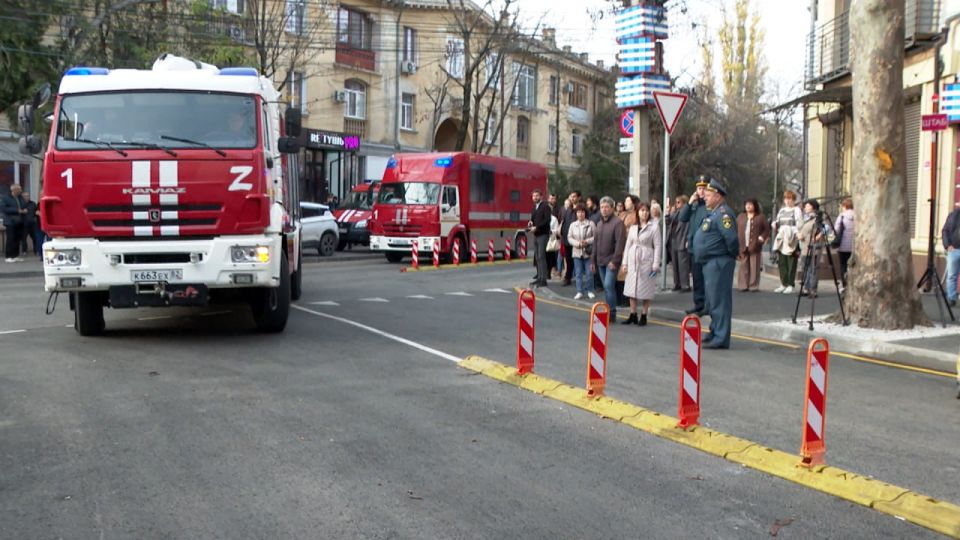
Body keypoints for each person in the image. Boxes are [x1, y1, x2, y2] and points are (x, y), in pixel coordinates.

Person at [692, 178, 739, 349]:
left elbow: (731, 238)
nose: (705, 196)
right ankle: (715, 330)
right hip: (710, 263)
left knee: (719, 301)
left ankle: (721, 337)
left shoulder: (724, 214)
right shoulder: (714, 213)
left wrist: (730, 255)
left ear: (718, 196)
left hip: (719, 262)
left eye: (709, 194)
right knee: (712, 301)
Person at [621, 202, 661, 326]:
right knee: (631, 287)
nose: (644, 213)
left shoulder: (654, 227)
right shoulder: (633, 227)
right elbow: (628, 245)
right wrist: (625, 262)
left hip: (646, 259)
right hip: (633, 259)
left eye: (646, 210)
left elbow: (658, 246)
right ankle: (633, 314)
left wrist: (656, 263)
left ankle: (644, 314)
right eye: (642, 210)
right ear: (637, 212)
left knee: (646, 287)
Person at [678, 175, 712, 315]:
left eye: (704, 188)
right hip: (693, 247)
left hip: (706, 248)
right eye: (699, 188)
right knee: (697, 279)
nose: (701, 191)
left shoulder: (710, 207)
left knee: (707, 280)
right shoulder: (694, 205)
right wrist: (689, 203)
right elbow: (682, 218)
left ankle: (707, 306)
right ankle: (698, 304)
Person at [591, 196, 626, 321]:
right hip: (600, 261)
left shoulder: (618, 223)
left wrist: (615, 261)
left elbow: (620, 243)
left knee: (608, 285)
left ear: (612, 208)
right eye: (602, 207)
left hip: (611, 262)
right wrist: (593, 261)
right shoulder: (599, 224)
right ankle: (609, 310)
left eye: (607, 207)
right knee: (607, 288)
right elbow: (595, 244)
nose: (604, 209)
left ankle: (612, 313)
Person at [772, 190, 803, 294]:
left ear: (793, 200)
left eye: (789, 198)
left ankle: (790, 284)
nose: (787, 201)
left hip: (791, 238)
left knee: (791, 262)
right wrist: (774, 224)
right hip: (782, 238)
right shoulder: (782, 210)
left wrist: (794, 232)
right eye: (786, 198)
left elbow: (799, 224)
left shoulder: (796, 210)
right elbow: (778, 222)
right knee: (782, 262)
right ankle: (783, 283)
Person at [736, 198, 770, 292]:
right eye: (746, 204)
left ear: (755, 206)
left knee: (754, 266)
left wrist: (761, 238)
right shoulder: (741, 216)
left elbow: (766, 230)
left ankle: (753, 285)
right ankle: (743, 285)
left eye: (750, 204)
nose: (748, 206)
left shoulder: (760, 217)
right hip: (742, 244)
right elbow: (735, 228)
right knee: (743, 265)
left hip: (755, 245)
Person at [797, 199, 827, 298]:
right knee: (805, 268)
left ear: (813, 207)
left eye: (808, 206)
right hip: (805, 246)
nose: (805, 207)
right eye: (805, 206)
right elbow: (800, 228)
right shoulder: (805, 218)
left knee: (813, 268)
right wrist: (799, 235)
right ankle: (806, 288)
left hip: (814, 247)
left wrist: (817, 237)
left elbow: (825, 229)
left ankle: (813, 290)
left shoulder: (818, 218)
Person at [567, 204, 597, 300]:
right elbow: (569, 238)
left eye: (582, 212)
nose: (580, 214)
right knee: (578, 273)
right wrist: (578, 244)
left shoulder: (591, 224)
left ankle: (589, 290)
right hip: (576, 252)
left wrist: (587, 241)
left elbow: (596, 237)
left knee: (589, 273)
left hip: (588, 253)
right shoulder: (572, 225)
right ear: (576, 214)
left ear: (585, 213)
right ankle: (579, 291)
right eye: (578, 212)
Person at [528, 188, 552, 288]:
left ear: (541, 196)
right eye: (533, 196)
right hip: (536, 235)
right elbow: (533, 219)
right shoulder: (535, 208)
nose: (535, 197)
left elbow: (547, 220)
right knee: (537, 257)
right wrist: (530, 222)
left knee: (542, 256)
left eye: (537, 196)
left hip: (543, 234)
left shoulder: (545, 206)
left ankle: (543, 279)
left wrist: (537, 227)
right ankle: (539, 277)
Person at [667, 195, 691, 291]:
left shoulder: (687, 214)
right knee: (675, 263)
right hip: (673, 240)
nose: (677, 205)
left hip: (682, 239)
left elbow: (688, 228)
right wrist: (667, 212)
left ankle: (685, 284)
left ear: (684, 203)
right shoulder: (676, 213)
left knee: (683, 264)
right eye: (676, 202)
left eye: (679, 202)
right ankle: (677, 283)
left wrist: (687, 240)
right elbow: (668, 221)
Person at [559, 191, 581, 286]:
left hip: (577, 240)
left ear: (578, 198)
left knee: (578, 261)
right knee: (568, 260)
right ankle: (568, 278)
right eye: (571, 197)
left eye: (574, 196)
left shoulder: (580, 209)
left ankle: (579, 280)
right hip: (567, 239)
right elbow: (565, 222)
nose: (572, 198)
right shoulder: (568, 209)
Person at [2, 185, 27, 263]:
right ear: (14, 190)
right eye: (19, 189)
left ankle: (15, 255)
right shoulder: (6, 198)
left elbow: (24, 205)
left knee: (17, 239)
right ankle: (8, 256)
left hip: (19, 221)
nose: (21, 190)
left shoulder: (20, 197)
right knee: (11, 239)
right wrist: (17, 210)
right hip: (10, 222)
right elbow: (4, 209)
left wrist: (24, 209)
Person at [834, 198, 855, 289]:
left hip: (843, 245)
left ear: (844, 206)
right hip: (854, 246)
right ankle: (853, 284)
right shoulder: (857, 215)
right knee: (853, 265)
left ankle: (845, 285)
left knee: (843, 265)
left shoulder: (842, 216)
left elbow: (836, 229)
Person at [942, 204, 960, 307]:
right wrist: (947, 245)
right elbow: (945, 231)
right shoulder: (953, 215)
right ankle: (951, 298)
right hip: (954, 250)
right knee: (952, 275)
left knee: (952, 275)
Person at [21, 192, 39, 256]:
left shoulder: (33, 203)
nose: (27, 197)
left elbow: (36, 211)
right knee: (24, 238)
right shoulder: (20, 204)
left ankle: (36, 251)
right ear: (22, 197)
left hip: (32, 223)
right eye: (25, 196)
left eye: (28, 196)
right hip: (24, 224)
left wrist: (36, 215)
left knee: (34, 238)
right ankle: (24, 251)